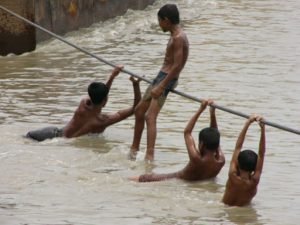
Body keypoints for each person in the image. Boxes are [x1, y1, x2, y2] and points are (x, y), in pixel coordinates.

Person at [130, 4, 189, 161]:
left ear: (167, 20)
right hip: (161, 75)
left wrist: (162, 85)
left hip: (167, 78)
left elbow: (176, 66)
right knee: (139, 111)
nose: (159, 24)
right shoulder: (174, 34)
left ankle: (150, 156)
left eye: (160, 21)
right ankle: (134, 149)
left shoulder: (178, 38)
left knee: (150, 116)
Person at [26, 66, 141, 141]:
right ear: (105, 101)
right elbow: (136, 108)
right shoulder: (102, 122)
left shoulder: (84, 104)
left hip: (52, 134)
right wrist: (135, 85)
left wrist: (112, 76)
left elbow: (100, 94)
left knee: (25, 139)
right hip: (61, 142)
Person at [130, 100, 225, 182]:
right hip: (198, 181)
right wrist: (212, 113)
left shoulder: (197, 159)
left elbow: (187, 132)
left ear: (202, 144)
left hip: (176, 179)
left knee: (146, 177)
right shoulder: (221, 160)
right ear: (217, 146)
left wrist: (201, 109)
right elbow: (216, 134)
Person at [222, 115, 266, 207]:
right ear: (254, 167)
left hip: (225, 208)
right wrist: (263, 129)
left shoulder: (232, 175)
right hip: (243, 214)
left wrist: (247, 123)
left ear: (238, 163)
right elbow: (261, 154)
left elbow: (238, 147)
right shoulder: (254, 181)